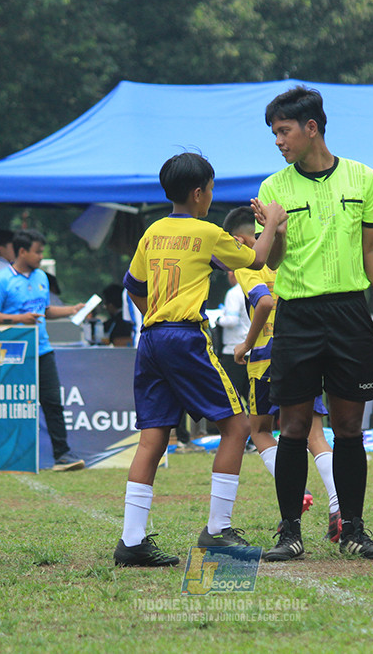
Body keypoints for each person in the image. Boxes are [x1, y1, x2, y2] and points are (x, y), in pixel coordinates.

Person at [113, 152, 286, 567]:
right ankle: (218, 529)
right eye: (210, 189)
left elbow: (133, 284)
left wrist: (157, 316)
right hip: (185, 337)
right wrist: (272, 223)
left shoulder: (153, 232)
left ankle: (131, 541)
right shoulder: (207, 232)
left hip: (151, 337)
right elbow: (258, 260)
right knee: (237, 426)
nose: (211, 196)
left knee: (153, 437)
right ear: (197, 193)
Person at [250, 86, 373, 561]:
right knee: (292, 426)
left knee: (349, 426)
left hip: (350, 313)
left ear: (312, 128)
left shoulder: (363, 178)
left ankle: (353, 529)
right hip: (297, 316)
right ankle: (289, 532)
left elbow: (372, 250)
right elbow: (270, 260)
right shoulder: (273, 188)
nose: (278, 141)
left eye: (284, 131)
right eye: (274, 133)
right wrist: (275, 229)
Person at [223, 206, 342, 542]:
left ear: (239, 239)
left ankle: (295, 490)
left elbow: (263, 303)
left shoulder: (247, 262)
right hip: (305, 350)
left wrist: (246, 344)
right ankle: (339, 505)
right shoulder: (291, 252)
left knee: (260, 430)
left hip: (266, 357)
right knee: (315, 434)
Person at [0, 229, 86, 470]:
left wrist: (72, 310)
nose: (41, 257)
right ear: (22, 251)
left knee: (52, 402)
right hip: (13, 351)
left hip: (42, 349)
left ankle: (63, 455)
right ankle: (8, 456)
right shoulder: (1, 280)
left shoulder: (41, 277)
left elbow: (45, 310)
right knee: (14, 404)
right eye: (38, 252)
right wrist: (19, 319)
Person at [217, 270, 251, 402]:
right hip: (250, 350)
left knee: (229, 399)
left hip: (233, 351)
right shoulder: (251, 289)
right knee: (251, 399)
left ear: (232, 273)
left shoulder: (233, 293)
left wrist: (218, 319)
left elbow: (231, 321)